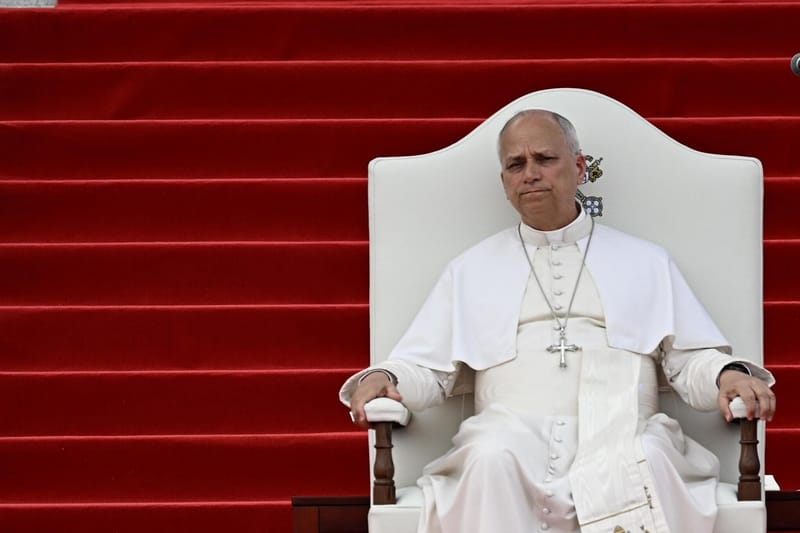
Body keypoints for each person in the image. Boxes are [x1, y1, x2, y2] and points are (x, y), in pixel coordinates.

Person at [340, 110, 776, 533]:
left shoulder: (645, 261)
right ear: (504, 182)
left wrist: (727, 374)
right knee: (488, 456)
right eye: (516, 164)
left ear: (580, 167)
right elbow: (427, 370)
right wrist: (385, 376)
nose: (530, 174)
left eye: (545, 159)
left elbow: (689, 360)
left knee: (649, 454)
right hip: (508, 433)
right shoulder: (470, 269)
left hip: (623, 426)